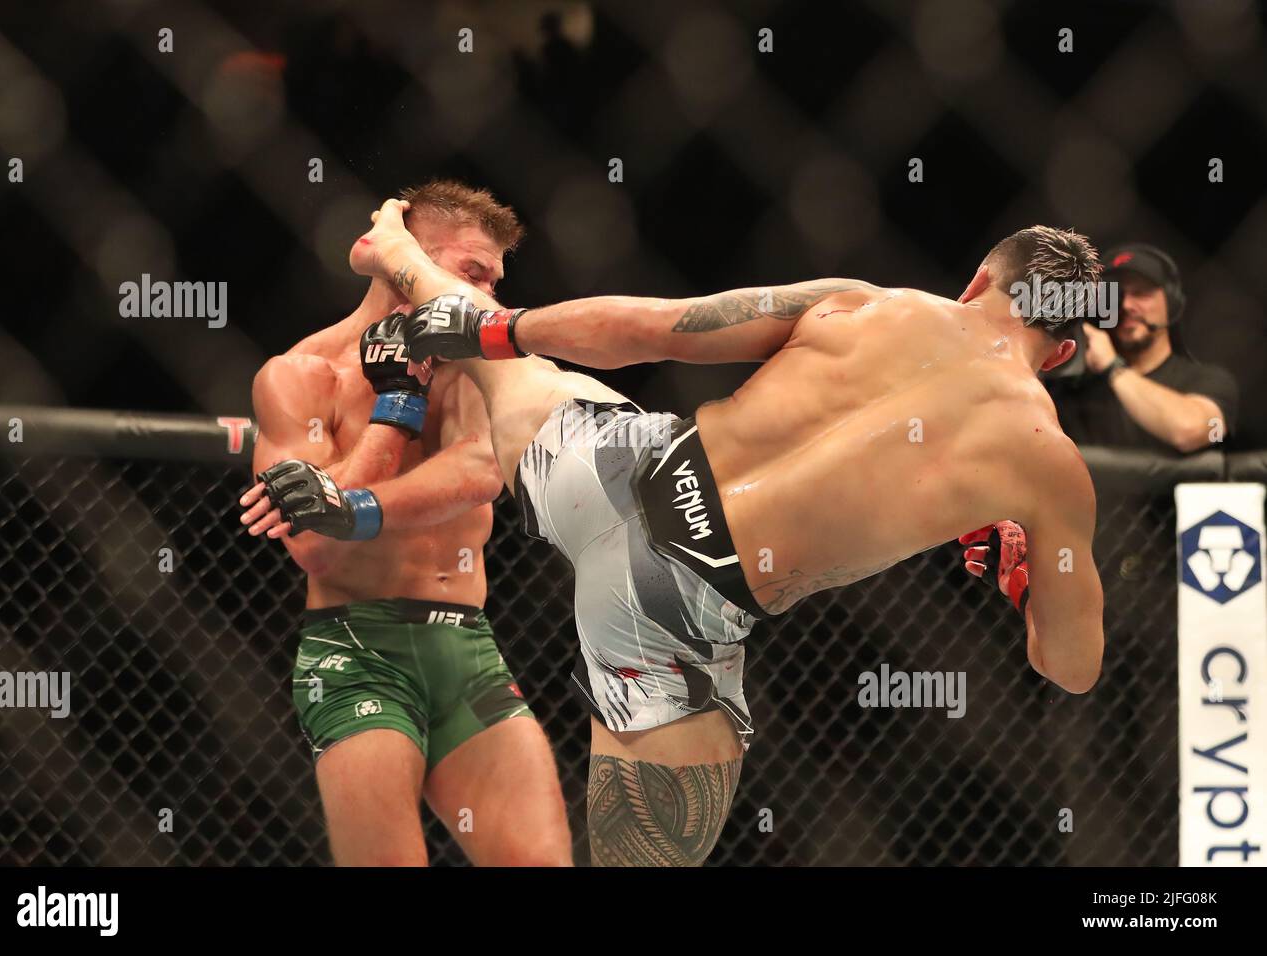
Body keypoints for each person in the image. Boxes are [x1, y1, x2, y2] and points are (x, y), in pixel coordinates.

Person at [280, 204, 1107, 866]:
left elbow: (653, 326)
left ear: (976, 283)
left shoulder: (864, 303)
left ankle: (400, 251)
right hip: (675, 613)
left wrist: (495, 329)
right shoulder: (1046, 463)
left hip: (618, 470)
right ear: (1063, 349)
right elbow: (1071, 668)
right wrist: (1023, 577)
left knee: (524, 371)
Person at [236, 181, 571, 866]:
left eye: (495, 281)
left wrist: (346, 505)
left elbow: (480, 470)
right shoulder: (301, 378)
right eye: (472, 273)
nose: (488, 298)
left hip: (467, 653)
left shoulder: (479, 366)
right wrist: (395, 413)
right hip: (356, 653)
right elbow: (313, 550)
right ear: (407, 260)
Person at [1046, 242, 1238, 454]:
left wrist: (1113, 367)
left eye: (1141, 293)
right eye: (1116, 295)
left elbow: (1190, 430)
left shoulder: (1208, 381)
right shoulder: (1072, 388)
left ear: (1171, 303)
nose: (1126, 305)